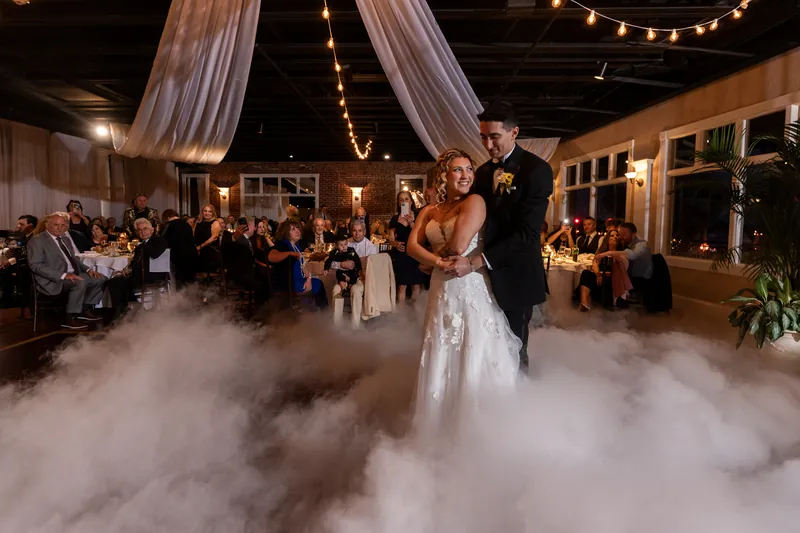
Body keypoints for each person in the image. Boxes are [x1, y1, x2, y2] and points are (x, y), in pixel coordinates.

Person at [408, 148, 520, 431]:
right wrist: (435, 262)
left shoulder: (475, 202)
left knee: (471, 347)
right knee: (440, 346)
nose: (466, 175)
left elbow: (458, 245)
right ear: (444, 176)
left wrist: (428, 259)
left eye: (469, 169)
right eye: (458, 169)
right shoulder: (429, 210)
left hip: (468, 286)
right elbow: (411, 246)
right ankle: (438, 422)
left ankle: (472, 426)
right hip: (441, 287)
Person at [443, 101, 553, 374]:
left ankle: (518, 395)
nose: (488, 144)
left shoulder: (536, 170)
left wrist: (478, 260)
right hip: (480, 278)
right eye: (483, 137)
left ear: (514, 132)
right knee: (483, 346)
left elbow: (527, 234)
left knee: (514, 347)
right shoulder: (481, 173)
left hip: (515, 273)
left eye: (494, 137)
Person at [27, 212, 106, 329]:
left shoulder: (65, 239)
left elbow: (74, 259)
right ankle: (70, 317)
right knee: (80, 282)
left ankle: (85, 309)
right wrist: (64, 275)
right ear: (47, 225)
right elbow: (36, 266)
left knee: (100, 278)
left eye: (63, 225)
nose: (60, 228)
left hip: (72, 274)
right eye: (56, 225)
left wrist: (88, 270)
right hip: (53, 279)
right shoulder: (37, 241)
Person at [107, 218, 169, 319]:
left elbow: (155, 254)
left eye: (145, 229)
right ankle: (125, 311)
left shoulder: (159, 240)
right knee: (114, 282)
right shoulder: (141, 245)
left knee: (121, 284)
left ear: (152, 230)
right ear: (136, 232)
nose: (142, 232)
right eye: (139, 230)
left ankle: (128, 312)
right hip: (139, 275)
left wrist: (141, 245)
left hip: (153, 276)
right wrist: (127, 270)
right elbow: (136, 263)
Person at [268, 220, 328, 308]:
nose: (297, 231)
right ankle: (322, 311)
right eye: (293, 229)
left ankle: (315, 310)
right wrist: (289, 253)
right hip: (288, 283)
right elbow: (271, 256)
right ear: (286, 232)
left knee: (318, 284)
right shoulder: (283, 244)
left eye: (297, 228)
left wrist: (308, 278)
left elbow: (303, 265)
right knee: (319, 285)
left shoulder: (296, 246)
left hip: (299, 280)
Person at [389, 190, 426, 302]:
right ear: (398, 203)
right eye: (401, 200)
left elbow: (422, 234)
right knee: (402, 286)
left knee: (416, 285)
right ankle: (401, 312)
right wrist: (395, 244)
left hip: (415, 253)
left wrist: (411, 223)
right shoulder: (395, 219)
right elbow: (390, 238)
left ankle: (414, 311)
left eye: (406, 199)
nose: (404, 201)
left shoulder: (418, 215)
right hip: (401, 254)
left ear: (411, 201)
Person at [161, 209, 197, 287]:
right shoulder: (187, 225)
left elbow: (164, 241)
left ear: (167, 217)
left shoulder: (169, 225)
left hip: (178, 257)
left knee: (179, 282)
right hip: (191, 255)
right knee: (190, 281)